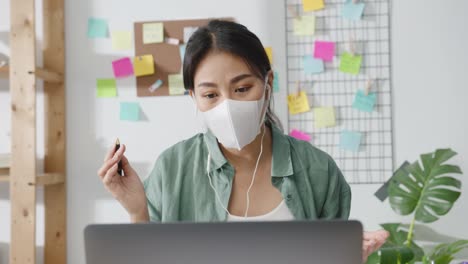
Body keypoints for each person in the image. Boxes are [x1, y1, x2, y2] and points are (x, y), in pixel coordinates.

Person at [97, 20, 388, 262]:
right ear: (194, 99)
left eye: (242, 88)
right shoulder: (172, 169)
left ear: (268, 84)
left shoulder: (318, 171)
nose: (228, 105)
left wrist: (350, 257)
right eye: (211, 95)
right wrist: (137, 211)